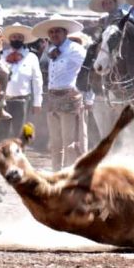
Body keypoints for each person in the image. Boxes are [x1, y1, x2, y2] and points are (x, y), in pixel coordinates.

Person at [31, 17, 87, 170]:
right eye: (51, 32)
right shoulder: (50, 50)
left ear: (65, 32)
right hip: (53, 98)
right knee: (55, 143)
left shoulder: (76, 50)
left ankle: (70, 173)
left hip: (70, 97)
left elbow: (88, 69)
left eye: (57, 31)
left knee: (70, 142)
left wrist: (87, 95)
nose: (54, 34)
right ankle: (56, 172)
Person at [0, 23, 43, 139]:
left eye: (19, 37)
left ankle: (19, 154)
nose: (16, 39)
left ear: (23, 39)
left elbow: (37, 80)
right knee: (2, 132)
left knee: (20, 132)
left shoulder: (31, 57)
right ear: (10, 39)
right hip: (3, 100)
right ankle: (3, 155)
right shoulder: (1, 56)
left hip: (22, 101)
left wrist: (37, 102)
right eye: (14, 37)